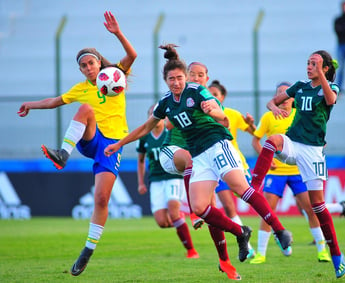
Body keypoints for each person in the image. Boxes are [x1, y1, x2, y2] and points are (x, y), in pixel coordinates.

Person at [104, 44, 293, 279]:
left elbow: (221, 115)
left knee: (240, 189)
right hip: (198, 156)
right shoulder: (165, 103)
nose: (176, 82)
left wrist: (213, 111)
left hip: (217, 144)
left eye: (179, 78)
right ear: (166, 80)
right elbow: (146, 127)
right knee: (199, 208)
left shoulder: (196, 91)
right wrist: (119, 144)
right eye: (171, 78)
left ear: (186, 78)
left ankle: (280, 230)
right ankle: (241, 232)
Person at [17, 11, 137, 276]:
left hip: (112, 145)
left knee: (102, 198)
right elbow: (54, 102)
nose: (88, 68)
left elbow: (133, 56)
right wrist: (31, 106)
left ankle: (87, 251)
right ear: (81, 70)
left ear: (98, 63)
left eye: (91, 63)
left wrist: (117, 33)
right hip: (90, 139)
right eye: (83, 66)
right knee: (84, 108)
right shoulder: (81, 88)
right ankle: (63, 153)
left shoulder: (115, 75)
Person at [251, 50, 345, 278]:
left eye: (314, 64)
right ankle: (254, 186)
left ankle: (335, 254)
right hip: (293, 143)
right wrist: (274, 107)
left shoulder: (330, 88)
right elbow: (271, 102)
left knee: (318, 207)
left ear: (325, 69)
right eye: (307, 63)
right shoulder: (300, 86)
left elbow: (331, 100)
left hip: (313, 152)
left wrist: (323, 74)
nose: (308, 67)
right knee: (272, 141)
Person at [159, 61, 240, 279]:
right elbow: (166, 123)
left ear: (206, 80)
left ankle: (225, 260)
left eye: (200, 75)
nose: (194, 79)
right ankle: (196, 215)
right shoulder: (183, 98)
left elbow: (226, 122)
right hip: (178, 152)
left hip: (204, 156)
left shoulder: (208, 103)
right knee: (200, 201)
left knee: (213, 209)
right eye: (191, 75)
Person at [250, 81, 331, 264]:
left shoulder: (300, 114)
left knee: (311, 209)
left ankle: (322, 250)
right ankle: (261, 253)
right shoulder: (269, 117)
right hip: (276, 173)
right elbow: (256, 141)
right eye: (280, 93)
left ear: (293, 98)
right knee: (267, 211)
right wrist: (266, 158)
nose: (284, 97)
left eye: (287, 94)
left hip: (298, 171)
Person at [136, 105, 199, 259]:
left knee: (173, 210)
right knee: (162, 222)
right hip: (156, 180)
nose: (155, 117)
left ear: (164, 117)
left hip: (173, 176)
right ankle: (180, 220)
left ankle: (191, 251)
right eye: (152, 114)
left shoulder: (170, 133)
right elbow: (141, 161)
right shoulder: (144, 137)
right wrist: (141, 183)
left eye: (158, 114)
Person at [208, 79, 256, 258]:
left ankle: (277, 231)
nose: (212, 97)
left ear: (222, 97)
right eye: (209, 93)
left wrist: (250, 123)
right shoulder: (202, 114)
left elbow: (255, 132)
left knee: (252, 199)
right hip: (215, 165)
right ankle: (248, 246)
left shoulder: (232, 115)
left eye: (215, 94)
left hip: (235, 164)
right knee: (229, 207)